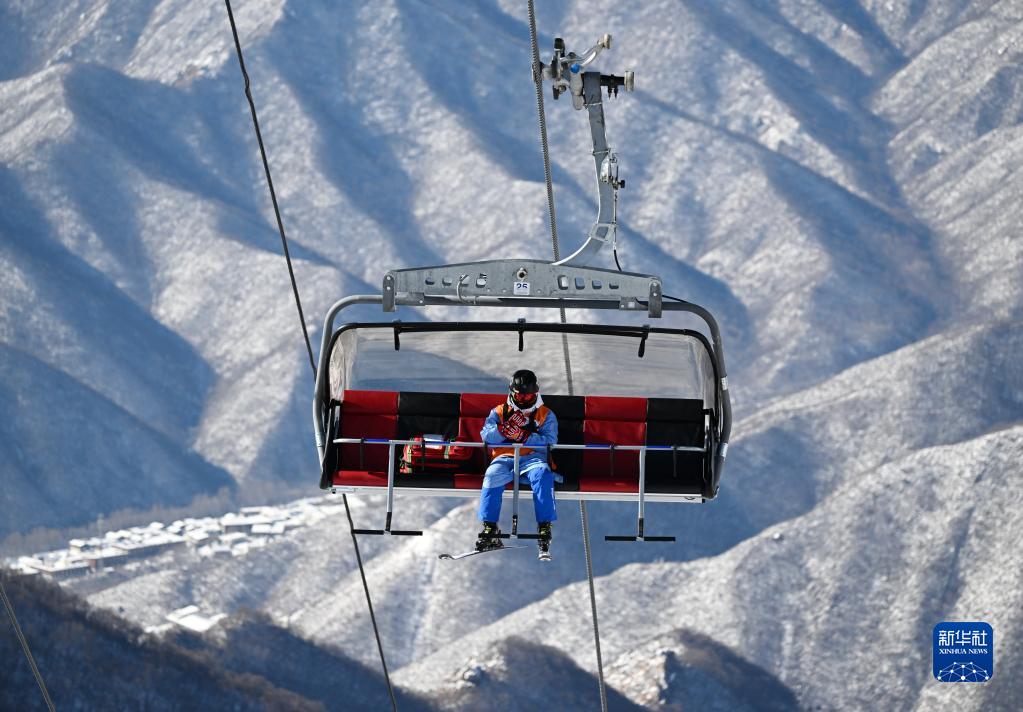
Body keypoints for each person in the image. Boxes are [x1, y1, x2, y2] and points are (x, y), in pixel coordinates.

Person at [476, 369, 558, 560]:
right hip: (505, 457)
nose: (524, 400)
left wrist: (524, 436)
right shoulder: (499, 412)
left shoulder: (544, 414)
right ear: (512, 393)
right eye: (520, 395)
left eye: (528, 395)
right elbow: (486, 436)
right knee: (491, 476)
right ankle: (490, 526)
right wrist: (503, 430)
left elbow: (550, 441)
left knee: (543, 475)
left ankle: (544, 525)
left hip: (532, 458)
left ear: (536, 393)